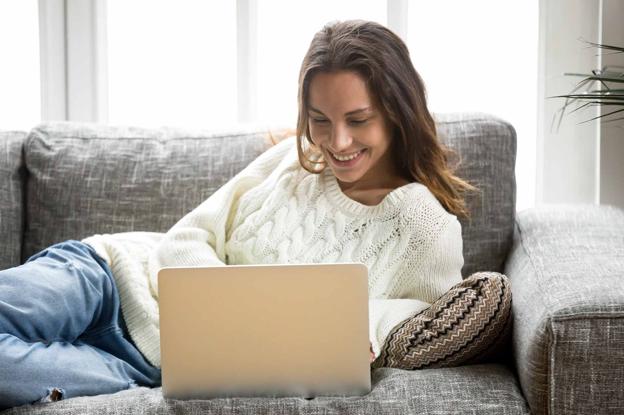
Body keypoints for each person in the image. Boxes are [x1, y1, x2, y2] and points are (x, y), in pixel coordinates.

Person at [0, 20, 508, 410]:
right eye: (319, 120)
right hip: (108, 276)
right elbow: (182, 241)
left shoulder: (425, 229)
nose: (337, 142)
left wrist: (364, 328)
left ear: (398, 112)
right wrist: (228, 310)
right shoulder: (293, 160)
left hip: (145, 365)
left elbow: (402, 325)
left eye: (358, 120)